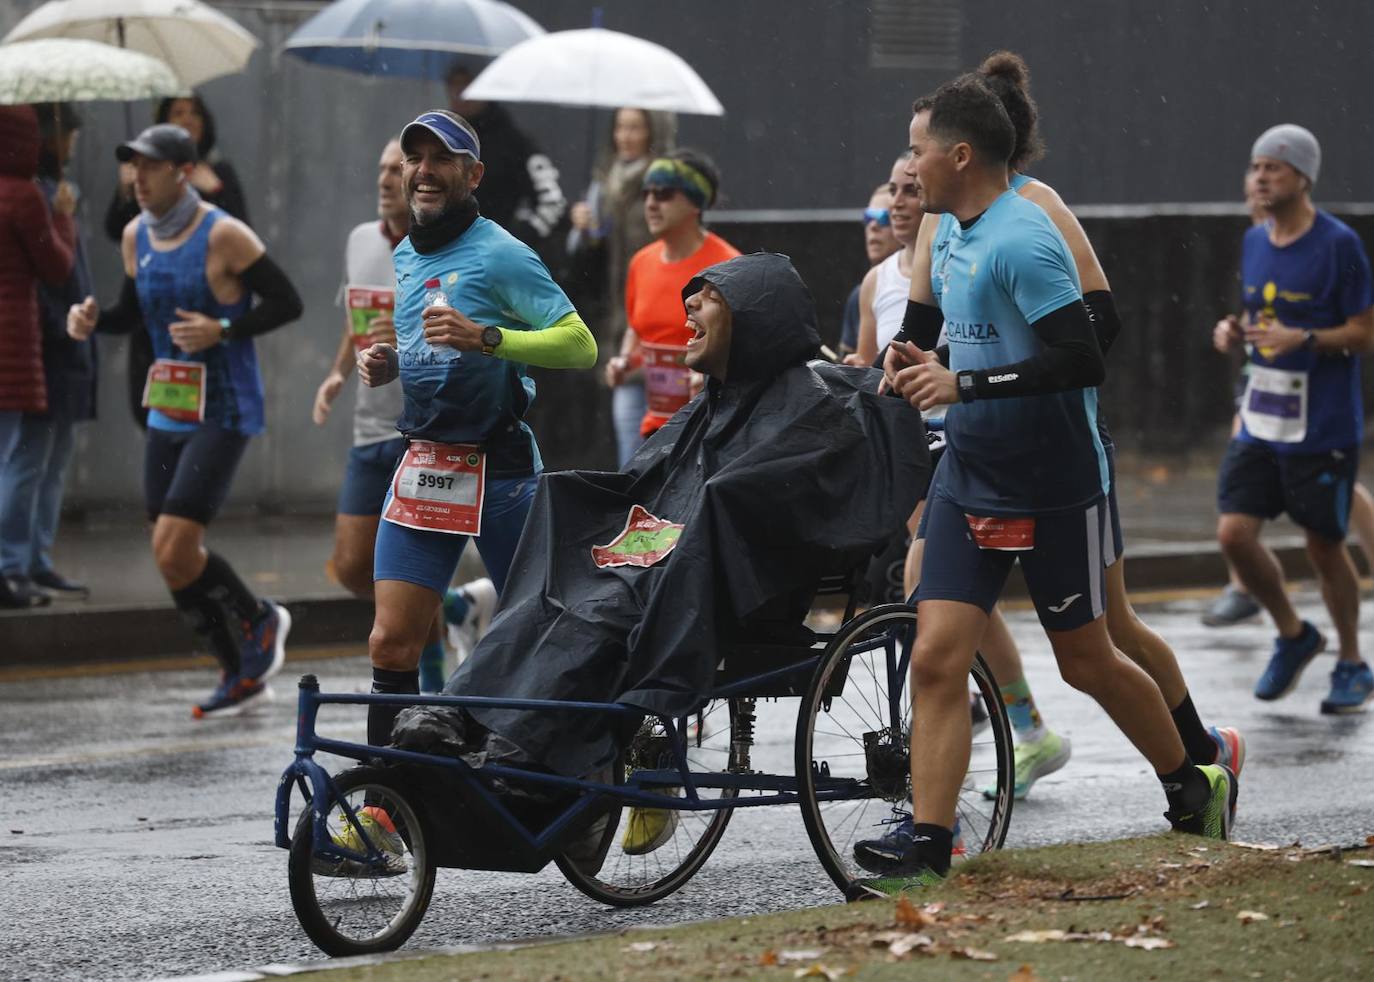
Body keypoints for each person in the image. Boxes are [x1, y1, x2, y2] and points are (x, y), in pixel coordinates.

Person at [387, 253, 926, 864]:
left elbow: (777, 504)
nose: (688, 306)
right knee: (552, 590)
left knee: (600, 614)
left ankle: (521, 754)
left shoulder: (811, 406)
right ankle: (460, 717)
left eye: (709, 297)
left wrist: (683, 530)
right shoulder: (710, 405)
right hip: (662, 557)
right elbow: (648, 480)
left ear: (755, 317)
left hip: (729, 579)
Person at [852, 75, 1237, 899]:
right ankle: (930, 840)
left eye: (920, 149)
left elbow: (1083, 355)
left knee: (1089, 659)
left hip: (1056, 482)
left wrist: (965, 385)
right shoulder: (945, 235)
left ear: (960, 154)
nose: (908, 170)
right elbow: (929, 331)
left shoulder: (1025, 234)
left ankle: (1192, 780)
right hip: (969, 475)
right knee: (936, 654)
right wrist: (907, 363)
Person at [353, 109, 597, 749]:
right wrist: (392, 364)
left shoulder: (501, 253)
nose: (425, 172)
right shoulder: (405, 252)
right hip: (427, 469)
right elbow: (434, 352)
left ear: (474, 173)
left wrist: (489, 337)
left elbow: (579, 345)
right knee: (392, 640)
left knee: (541, 642)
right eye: (416, 159)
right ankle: (386, 803)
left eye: (442, 160)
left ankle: (575, 778)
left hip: (502, 474)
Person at [66, 123, 302, 718]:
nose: (135, 178)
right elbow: (133, 312)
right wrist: (95, 319)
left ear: (184, 171)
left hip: (223, 406)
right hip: (170, 403)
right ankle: (237, 670)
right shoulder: (133, 235)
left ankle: (259, 618)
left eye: (148, 167)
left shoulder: (224, 234)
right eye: (131, 167)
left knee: (175, 540)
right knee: (169, 553)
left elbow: (287, 302)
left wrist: (221, 328)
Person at [1212, 124, 1374, 714]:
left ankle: (1353, 660)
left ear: (1302, 177)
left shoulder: (1338, 246)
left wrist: (1304, 336)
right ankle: (1292, 633)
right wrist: (1235, 332)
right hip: (1262, 417)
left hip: (1322, 425)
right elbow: (1258, 316)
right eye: (1255, 167)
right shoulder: (1256, 239)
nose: (1259, 177)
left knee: (1324, 547)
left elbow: (1364, 332)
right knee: (1233, 534)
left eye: (1272, 168)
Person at [310, 138, 452, 693]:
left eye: (397, 168)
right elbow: (357, 317)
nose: (386, 178)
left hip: (422, 428)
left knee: (400, 581)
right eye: (381, 167)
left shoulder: (441, 248)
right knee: (349, 566)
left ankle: (429, 672)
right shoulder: (359, 240)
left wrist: (408, 338)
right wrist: (337, 373)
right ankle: (452, 609)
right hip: (369, 425)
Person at [105, 95, 251, 435]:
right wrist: (129, 191)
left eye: (195, 113)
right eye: (178, 113)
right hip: (155, 316)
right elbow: (117, 228)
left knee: (204, 425)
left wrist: (214, 190)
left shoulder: (218, 173)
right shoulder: (143, 182)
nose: (188, 119)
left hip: (204, 314)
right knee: (157, 420)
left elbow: (244, 239)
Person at [0, 103, 95, 601]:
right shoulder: (29, 196)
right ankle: (13, 565)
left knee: (35, 460)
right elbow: (57, 269)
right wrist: (63, 219)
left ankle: (28, 561)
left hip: (41, 345)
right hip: (29, 347)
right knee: (24, 461)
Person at [604, 151, 739, 464]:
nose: (651, 203)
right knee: (633, 488)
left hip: (702, 402)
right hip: (643, 399)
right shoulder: (641, 261)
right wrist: (623, 361)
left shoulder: (727, 265)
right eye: (647, 193)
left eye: (663, 194)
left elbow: (739, 340)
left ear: (695, 203)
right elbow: (636, 328)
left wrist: (706, 375)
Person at [446, 64, 567, 264]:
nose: (460, 93)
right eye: (453, 85)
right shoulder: (442, 142)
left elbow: (554, 203)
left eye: (467, 84)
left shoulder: (513, 142)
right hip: (450, 254)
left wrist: (515, 239)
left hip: (496, 261)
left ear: (485, 87)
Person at [838, 183, 900, 357]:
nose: (873, 226)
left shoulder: (931, 285)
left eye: (883, 218)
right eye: (868, 217)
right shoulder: (859, 295)